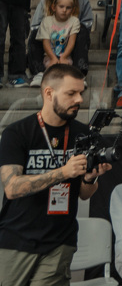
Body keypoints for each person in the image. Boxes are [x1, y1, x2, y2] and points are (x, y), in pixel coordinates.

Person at [0, 64, 111, 286]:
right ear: (49, 93)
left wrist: (90, 178)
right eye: (71, 93)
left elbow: (85, 194)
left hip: (60, 240)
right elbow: (12, 188)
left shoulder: (84, 135)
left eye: (81, 92)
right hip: (16, 239)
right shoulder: (17, 133)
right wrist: (63, 172)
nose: (79, 99)